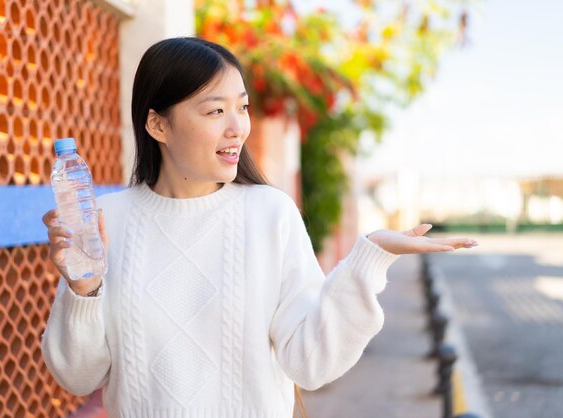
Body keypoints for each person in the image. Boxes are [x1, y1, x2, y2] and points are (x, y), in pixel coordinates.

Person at [41, 37, 477, 418]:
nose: (239, 128)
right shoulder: (106, 219)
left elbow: (311, 361)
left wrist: (370, 258)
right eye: (215, 111)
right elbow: (79, 377)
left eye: (243, 107)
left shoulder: (269, 214)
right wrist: (85, 291)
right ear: (158, 124)